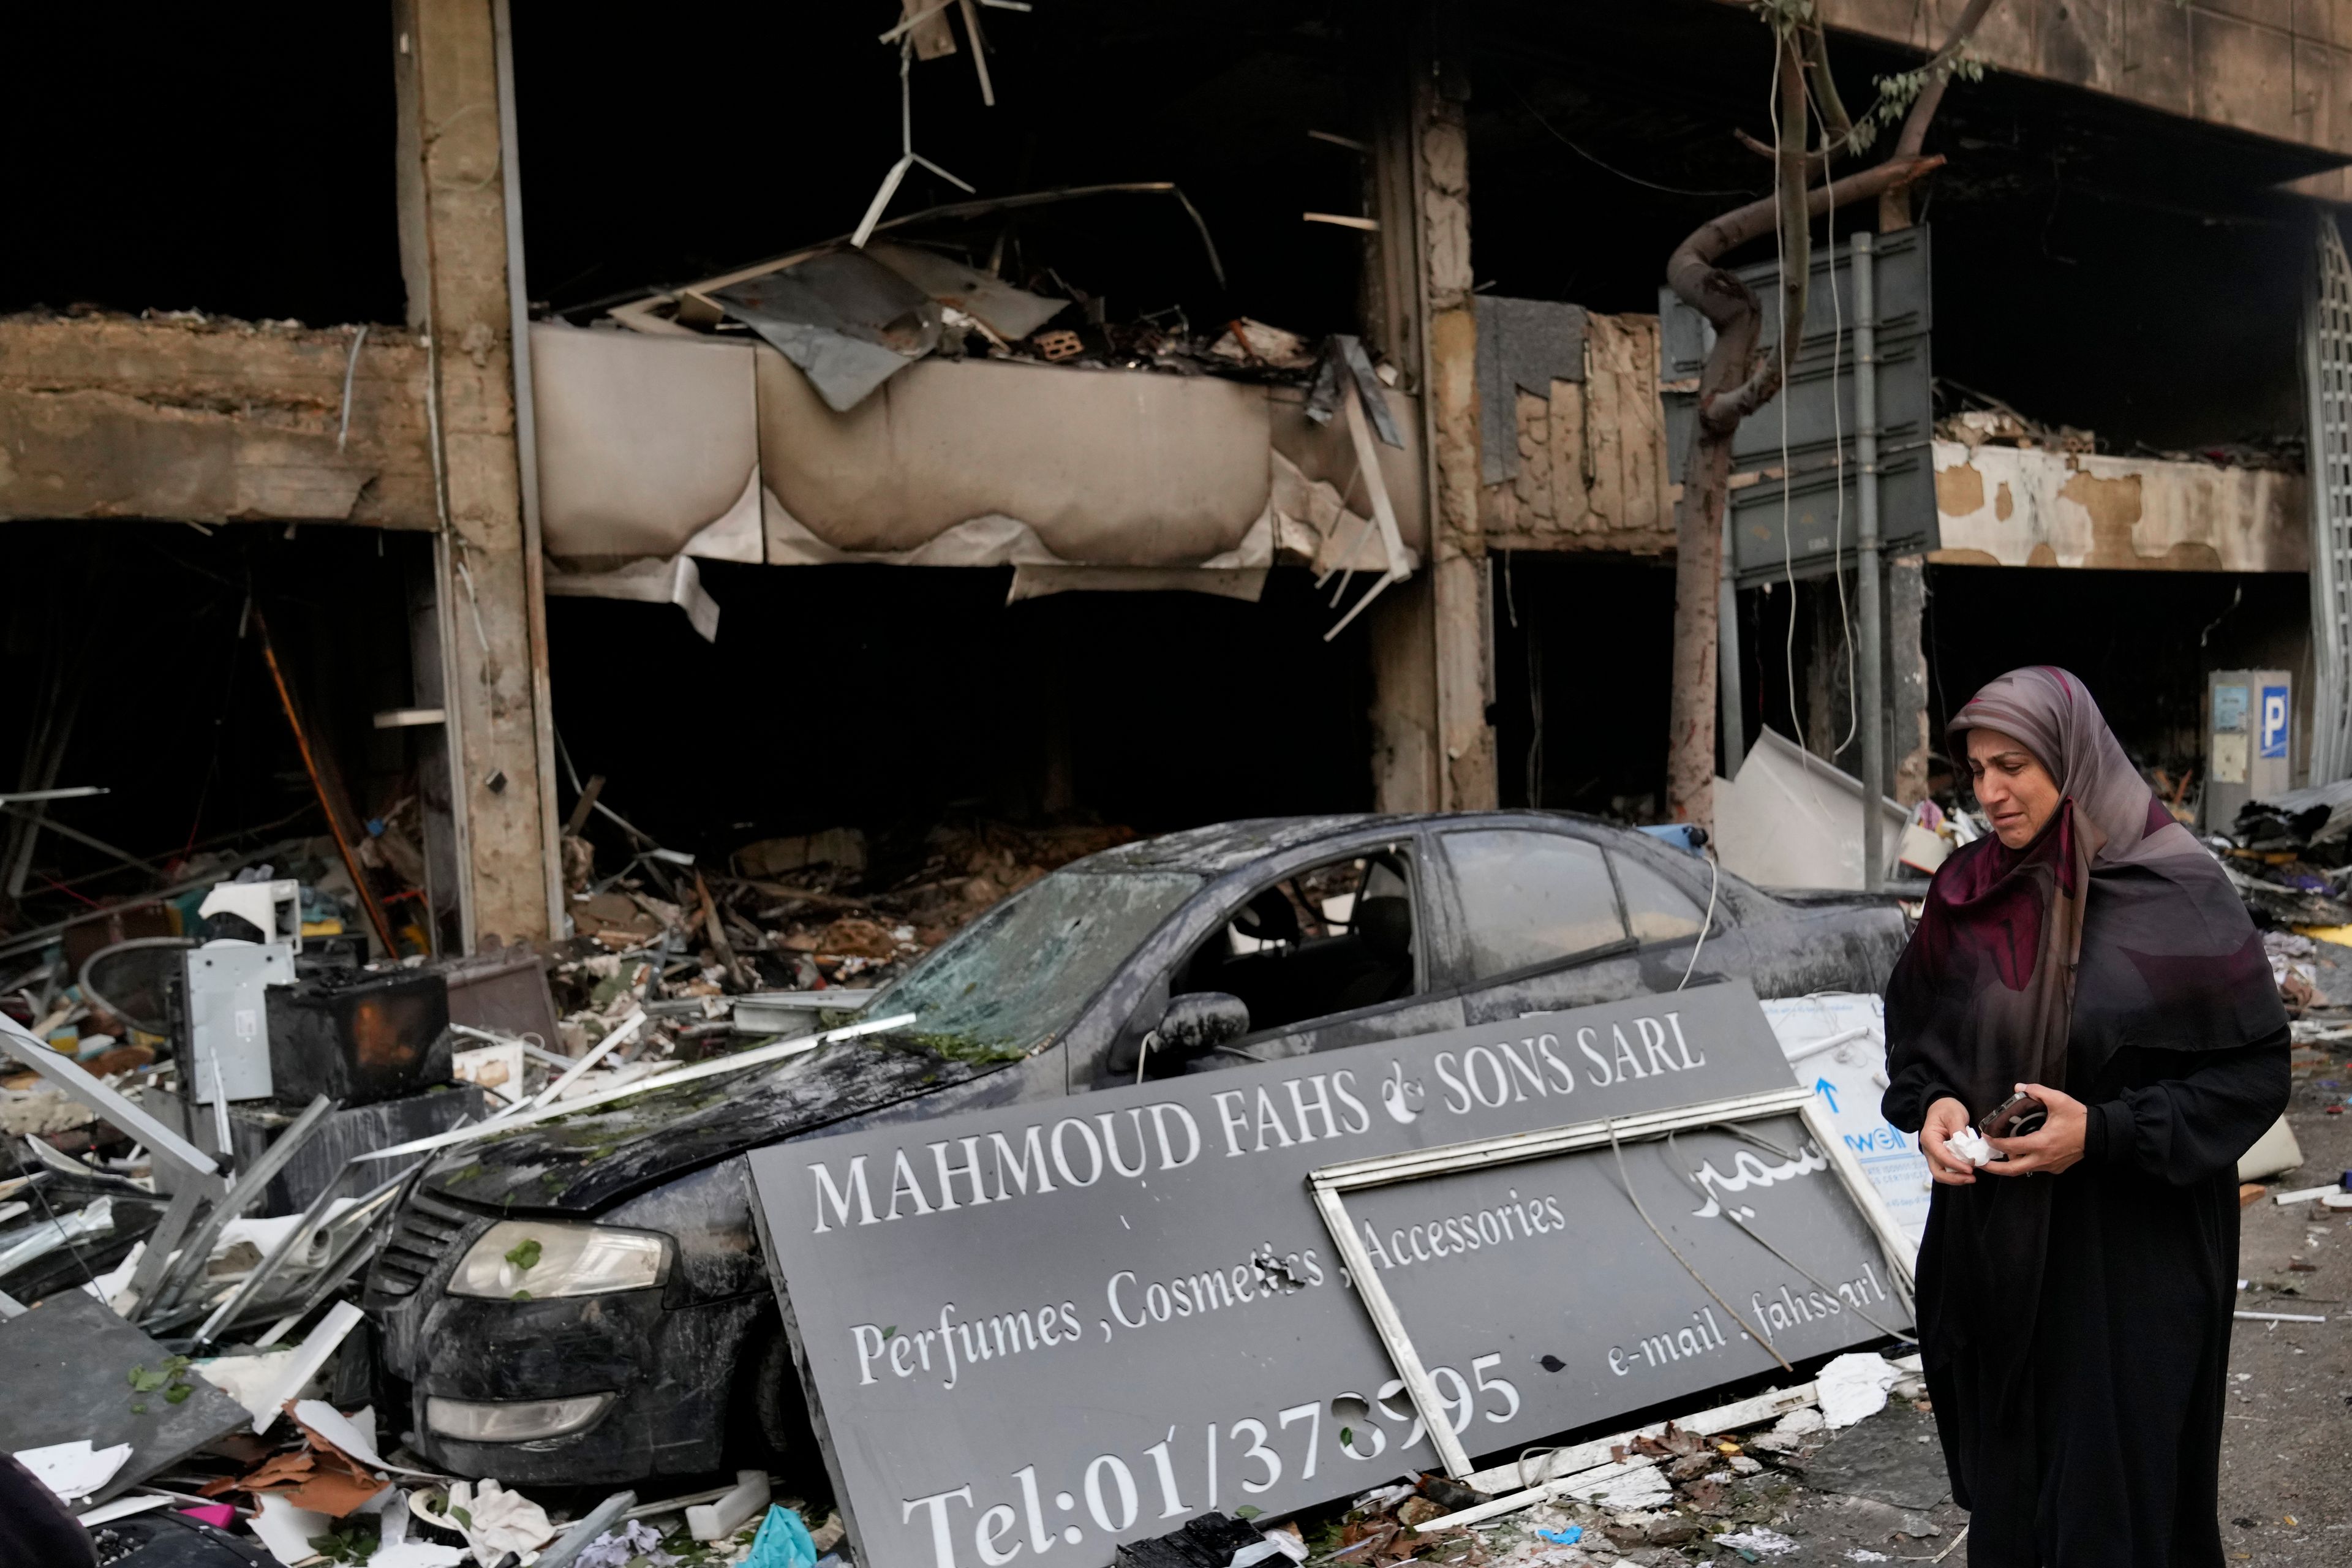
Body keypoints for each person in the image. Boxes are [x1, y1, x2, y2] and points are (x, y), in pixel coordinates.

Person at [1882, 666, 2289, 1567]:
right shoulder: (1966, 892)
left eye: (2014, 766)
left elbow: (2254, 1073)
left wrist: (2101, 1132)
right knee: (2016, 1511)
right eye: (1975, 769)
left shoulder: (2174, 890)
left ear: (2071, 758)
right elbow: (1919, 1044)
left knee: (2117, 1511)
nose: (1989, 793)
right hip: (2002, 1257)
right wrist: (1933, 1108)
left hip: (2127, 1266)